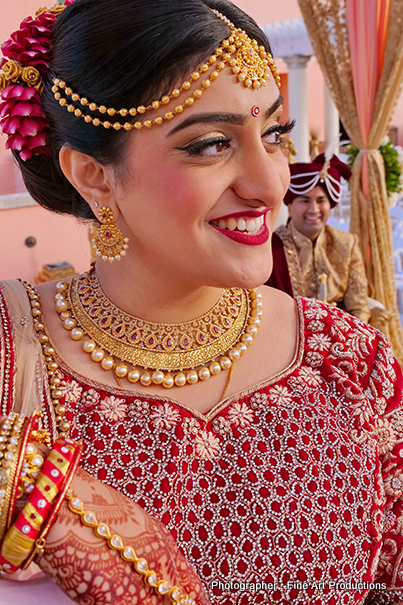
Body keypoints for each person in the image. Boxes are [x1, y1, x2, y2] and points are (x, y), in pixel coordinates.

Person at [0, 1, 402, 604]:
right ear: (93, 175)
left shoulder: (345, 362)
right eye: (211, 144)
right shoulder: (11, 352)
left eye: (273, 134)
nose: (270, 185)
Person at [266, 154, 371, 322]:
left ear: (330, 205)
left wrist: (349, 341)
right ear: (290, 207)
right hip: (290, 337)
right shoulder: (271, 248)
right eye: (305, 201)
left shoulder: (347, 244)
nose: (314, 209)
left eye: (321, 200)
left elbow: (358, 306)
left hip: (343, 334)